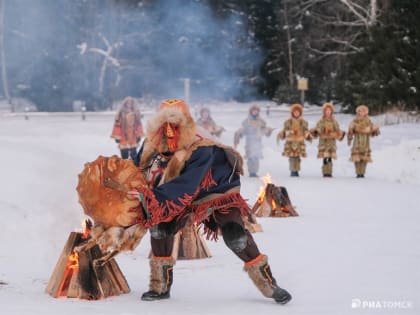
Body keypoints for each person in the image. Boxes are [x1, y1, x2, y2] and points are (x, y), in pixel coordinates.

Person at [128, 99, 292, 304]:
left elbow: (188, 184)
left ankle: (268, 283)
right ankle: (159, 285)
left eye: (174, 125)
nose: (169, 131)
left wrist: (151, 196)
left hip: (215, 191)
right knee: (160, 227)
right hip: (175, 190)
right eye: (164, 125)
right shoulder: (152, 141)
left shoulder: (201, 145)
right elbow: (137, 168)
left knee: (235, 236)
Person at [234, 105, 273, 177]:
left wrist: (268, 131)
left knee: (256, 157)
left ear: (258, 112)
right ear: (251, 112)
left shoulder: (261, 121)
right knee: (250, 157)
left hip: (258, 142)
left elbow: (264, 130)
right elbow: (243, 130)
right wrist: (240, 134)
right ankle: (251, 171)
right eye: (253, 111)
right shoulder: (247, 121)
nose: (255, 112)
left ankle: (255, 171)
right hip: (249, 141)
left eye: (256, 111)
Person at [310, 102, 345, 177]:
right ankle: (325, 171)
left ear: (331, 111)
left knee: (330, 156)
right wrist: (319, 130)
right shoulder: (321, 121)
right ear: (324, 112)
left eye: (329, 110)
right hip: (323, 141)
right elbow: (318, 128)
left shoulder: (334, 121)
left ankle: (329, 172)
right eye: (326, 110)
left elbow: (337, 129)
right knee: (325, 156)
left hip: (331, 141)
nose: (328, 112)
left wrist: (337, 133)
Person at [277, 103, 312, 177]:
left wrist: (307, 134)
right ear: (292, 113)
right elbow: (285, 131)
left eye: (298, 112)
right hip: (291, 142)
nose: (296, 113)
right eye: (295, 112)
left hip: (299, 142)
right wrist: (287, 132)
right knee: (292, 157)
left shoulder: (303, 122)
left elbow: (306, 130)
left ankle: (296, 170)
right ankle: (292, 170)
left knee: (297, 158)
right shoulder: (288, 122)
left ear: (300, 113)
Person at [347, 105, 380, 178]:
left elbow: (372, 129)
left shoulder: (368, 121)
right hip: (357, 142)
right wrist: (349, 138)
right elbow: (350, 129)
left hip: (365, 142)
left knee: (364, 158)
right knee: (357, 157)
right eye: (359, 111)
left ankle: (362, 172)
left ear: (366, 112)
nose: (361, 113)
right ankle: (358, 172)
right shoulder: (355, 120)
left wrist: (376, 130)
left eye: (363, 111)